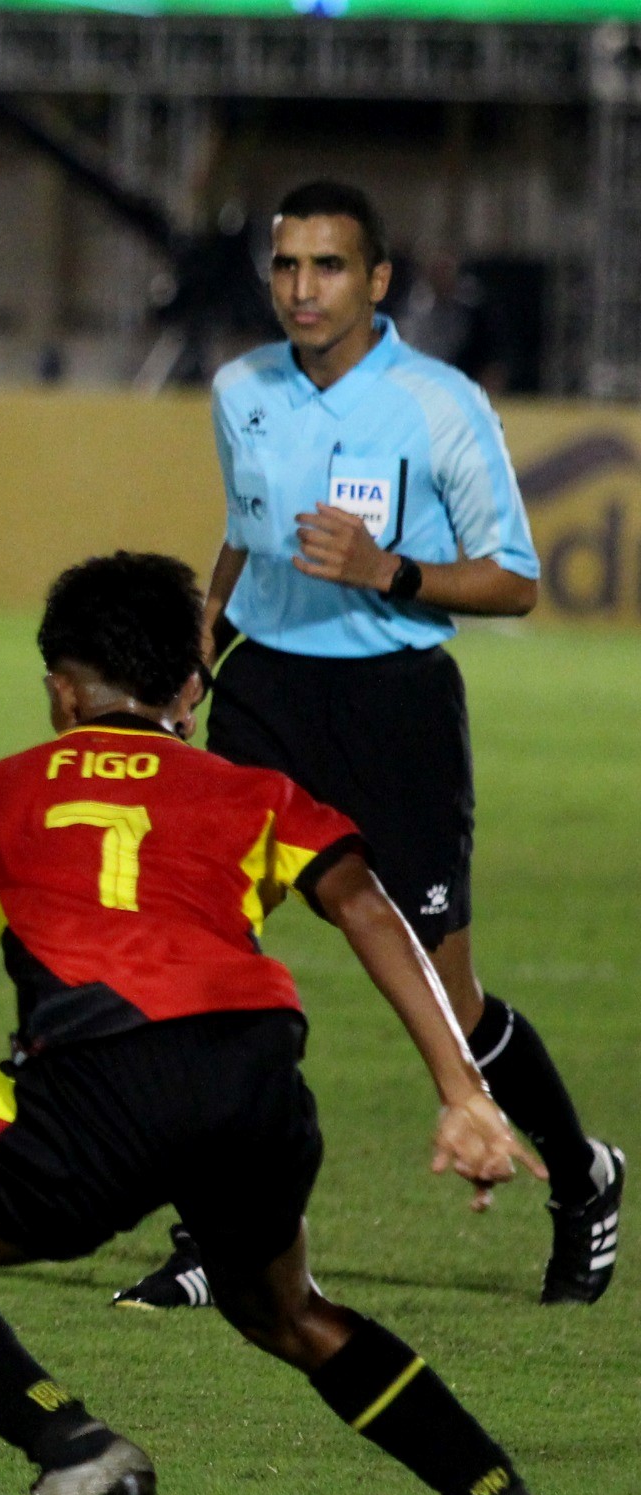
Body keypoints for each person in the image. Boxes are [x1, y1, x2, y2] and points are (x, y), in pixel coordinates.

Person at [0, 551, 596, 1495]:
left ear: (60, 685)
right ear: (192, 686)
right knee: (287, 1311)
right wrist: (462, 1089)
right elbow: (369, 906)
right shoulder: (255, 792)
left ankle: (70, 1443)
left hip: (91, 1088)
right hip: (253, 1076)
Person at [118, 178, 620, 1311]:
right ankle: (215, 1232)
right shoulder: (239, 386)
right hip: (260, 699)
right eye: (286, 266)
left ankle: (582, 1174)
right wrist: (200, 645)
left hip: (391, 709)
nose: (302, 288)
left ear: (378, 280)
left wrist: (386, 570)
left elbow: (516, 582)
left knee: (451, 999)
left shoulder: (441, 406)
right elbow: (245, 531)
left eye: (327, 266)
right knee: (209, 962)